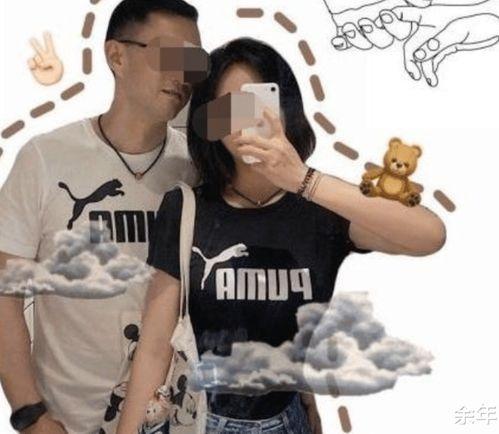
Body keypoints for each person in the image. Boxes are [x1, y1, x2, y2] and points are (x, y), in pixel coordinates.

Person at [116, 37, 447, 434]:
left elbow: (429, 235)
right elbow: (154, 349)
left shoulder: (321, 212)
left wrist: (302, 179)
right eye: (229, 108)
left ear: (285, 109)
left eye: (258, 103)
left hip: (287, 421)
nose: (245, 120)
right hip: (201, 420)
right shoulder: (186, 208)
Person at [0, 1, 203, 433]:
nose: (183, 74)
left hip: (177, 419)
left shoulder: (199, 169)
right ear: (116, 55)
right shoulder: (45, 158)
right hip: (67, 421)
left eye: (194, 61)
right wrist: (30, 414)